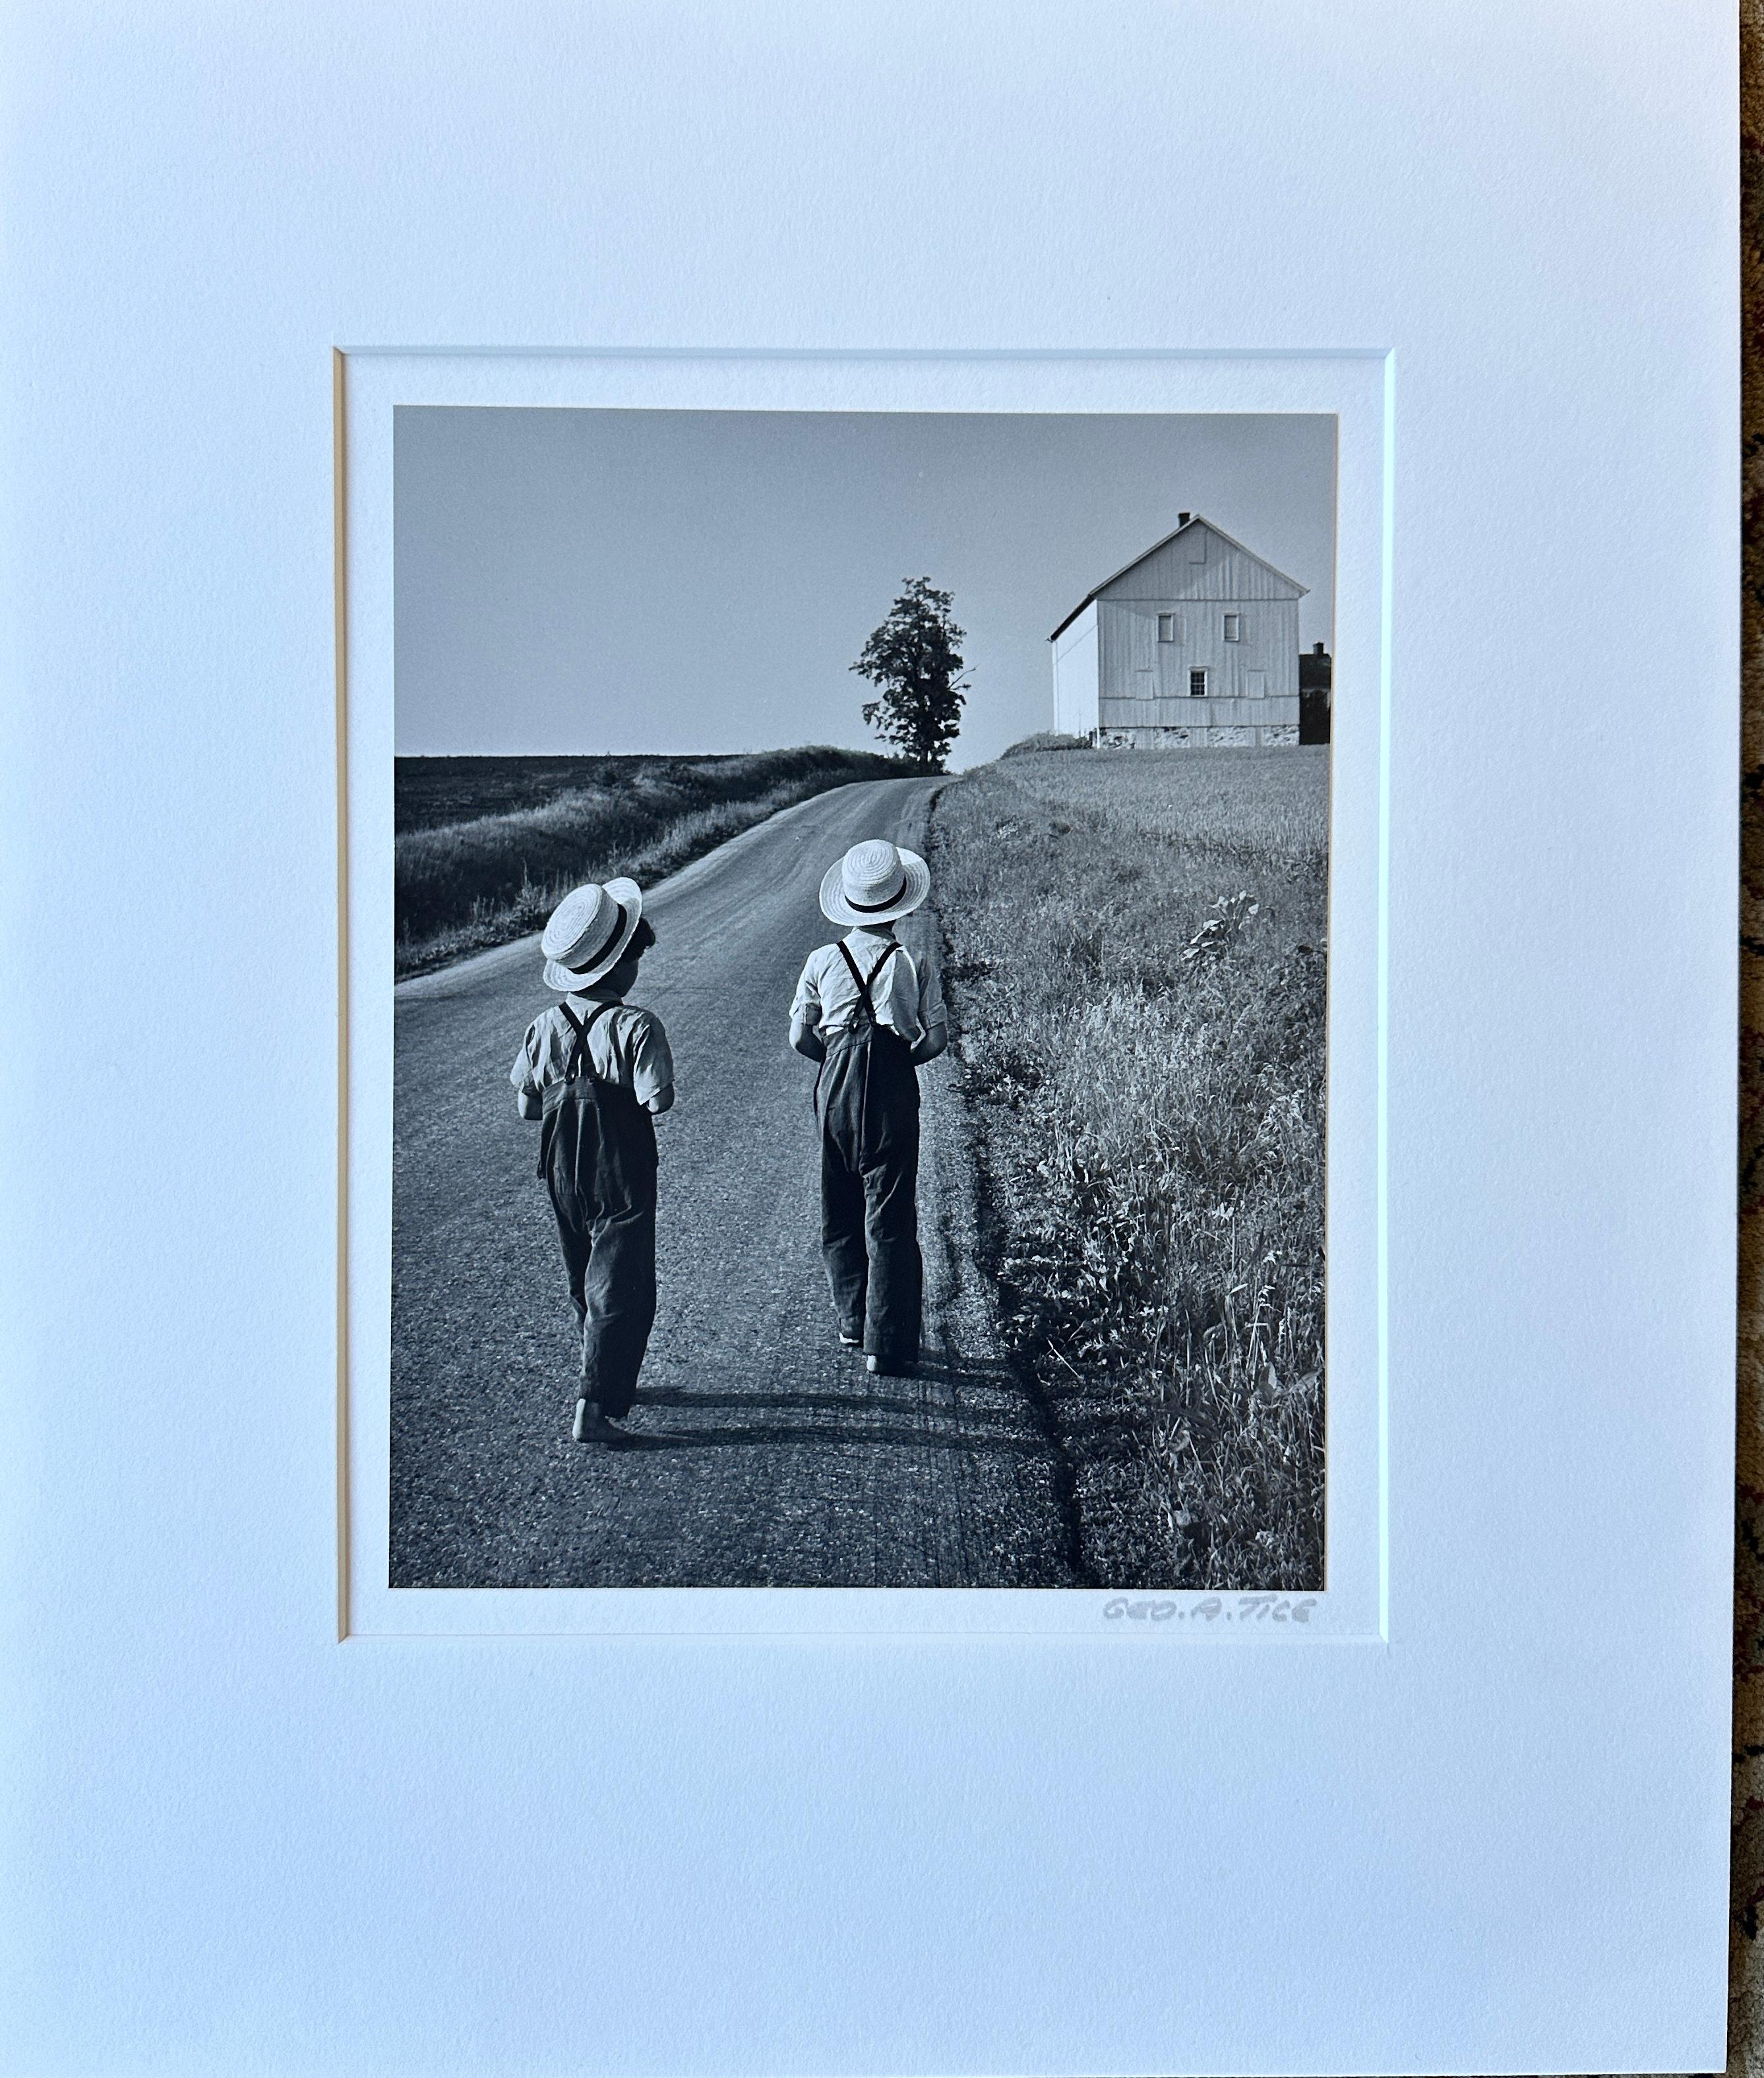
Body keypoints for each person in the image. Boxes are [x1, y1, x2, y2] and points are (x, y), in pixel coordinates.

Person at [510, 878, 674, 1444]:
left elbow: (527, 1106)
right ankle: (594, 1405)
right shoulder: (637, 1025)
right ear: (618, 966)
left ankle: (605, 1373)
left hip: (561, 1166)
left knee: (583, 1274)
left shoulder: (542, 1026)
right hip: (619, 1165)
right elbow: (658, 1100)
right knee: (622, 1282)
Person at [789, 838, 948, 1376]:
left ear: (849, 903)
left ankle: (852, 1319)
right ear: (900, 904)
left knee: (838, 1204)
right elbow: (935, 1040)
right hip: (892, 1084)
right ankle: (886, 1341)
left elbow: (800, 1037)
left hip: (835, 1085)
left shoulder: (820, 960)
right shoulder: (913, 960)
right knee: (891, 1211)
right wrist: (898, 1064)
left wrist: (837, 1061)